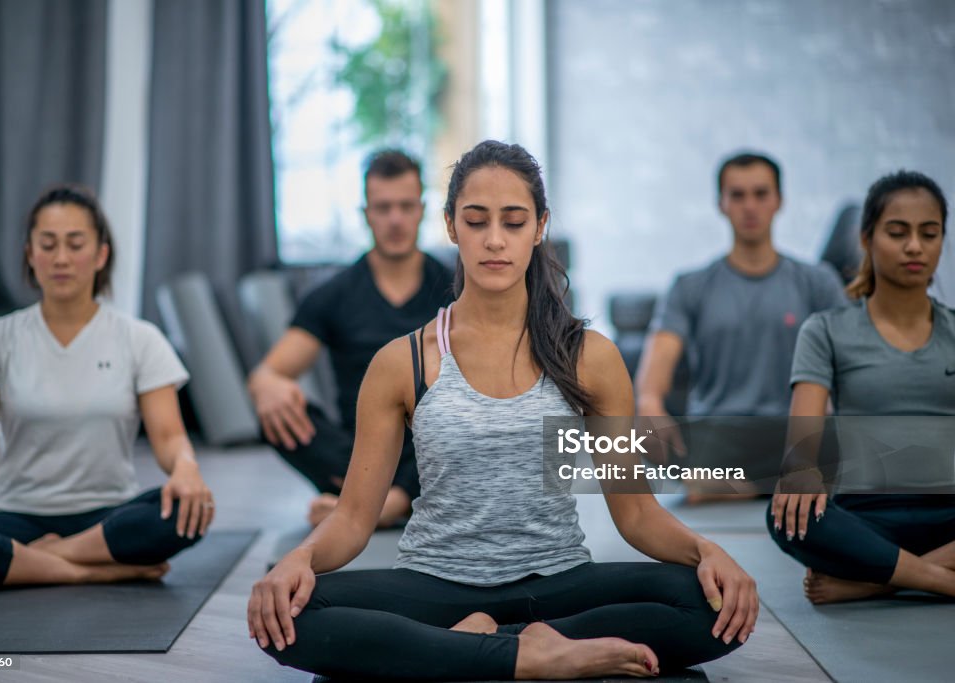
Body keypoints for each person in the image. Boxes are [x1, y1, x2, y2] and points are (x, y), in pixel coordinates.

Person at [247, 141, 758, 680]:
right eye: (476, 221)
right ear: (450, 226)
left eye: (514, 222)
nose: (495, 241)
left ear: (539, 227)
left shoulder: (591, 357)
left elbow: (635, 514)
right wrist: (299, 559)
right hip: (437, 583)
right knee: (292, 616)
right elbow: (353, 518)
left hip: (559, 582)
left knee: (710, 602)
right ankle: (532, 656)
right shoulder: (401, 363)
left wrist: (706, 551)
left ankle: (469, 651)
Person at [0, 184, 213, 590]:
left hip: (109, 518)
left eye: (75, 244)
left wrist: (187, 469)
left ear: (100, 254)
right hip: (18, 516)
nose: (61, 258)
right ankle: (88, 569)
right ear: (31, 254)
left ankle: (32, 564)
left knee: (190, 510)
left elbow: (169, 435)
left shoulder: (139, 337)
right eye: (47, 244)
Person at [769, 170, 955, 604]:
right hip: (866, 519)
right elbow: (800, 452)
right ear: (868, 239)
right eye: (897, 232)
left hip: (949, 513)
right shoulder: (826, 330)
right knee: (786, 512)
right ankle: (941, 578)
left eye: (929, 234)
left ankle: (879, 580)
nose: (914, 246)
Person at [248, 150, 452, 527]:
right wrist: (268, 386)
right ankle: (386, 500)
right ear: (366, 214)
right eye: (383, 207)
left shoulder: (454, 290)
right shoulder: (333, 295)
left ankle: (372, 502)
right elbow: (268, 374)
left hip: (432, 445)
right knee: (276, 416)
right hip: (361, 450)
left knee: (459, 420)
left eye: (406, 206)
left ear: (422, 211)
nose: (395, 219)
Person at [635, 152, 848, 499]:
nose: (750, 206)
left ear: (779, 201)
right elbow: (658, 360)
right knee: (654, 441)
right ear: (721, 203)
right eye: (737, 195)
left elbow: (848, 360)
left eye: (761, 194)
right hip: (719, 429)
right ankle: (758, 486)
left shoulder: (817, 282)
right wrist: (649, 404)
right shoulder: (690, 285)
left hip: (792, 429)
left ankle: (748, 486)